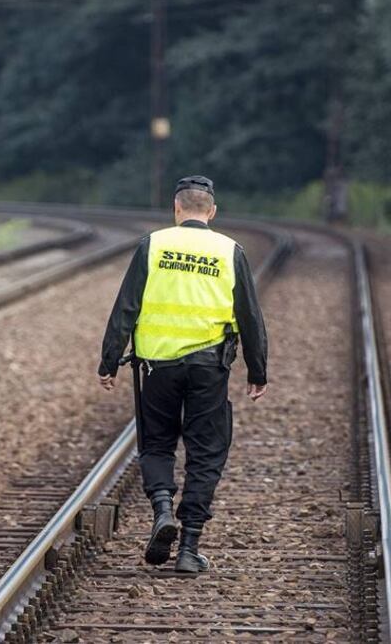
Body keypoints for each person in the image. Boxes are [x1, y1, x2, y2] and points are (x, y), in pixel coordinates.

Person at [98, 175, 268, 573]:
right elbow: (250, 316)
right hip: (209, 368)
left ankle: (162, 510)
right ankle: (189, 547)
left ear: (176, 210)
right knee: (206, 451)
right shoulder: (230, 251)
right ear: (211, 212)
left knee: (156, 444)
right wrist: (257, 370)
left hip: (157, 367)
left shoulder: (153, 245)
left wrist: (109, 362)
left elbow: (126, 308)